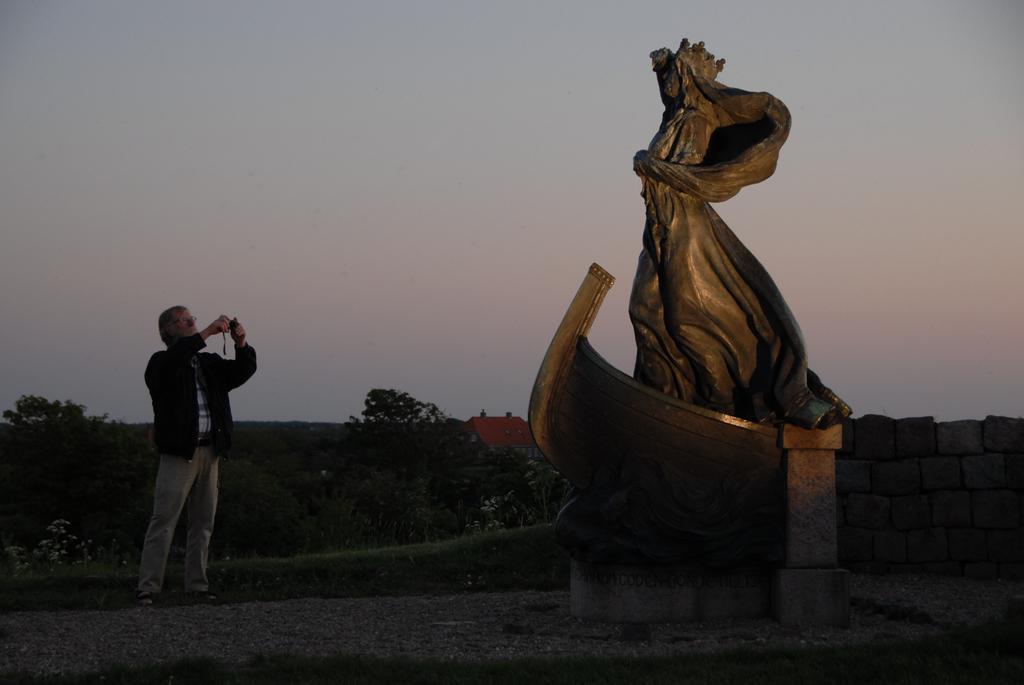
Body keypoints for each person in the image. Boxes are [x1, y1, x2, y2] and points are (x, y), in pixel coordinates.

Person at [136, 306, 256, 606]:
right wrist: (206, 333)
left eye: (193, 318)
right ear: (169, 331)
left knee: (203, 522)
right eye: (184, 320)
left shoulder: (209, 363)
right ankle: (148, 587)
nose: (192, 322)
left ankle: (197, 587)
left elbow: (242, 372)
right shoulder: (161, 363)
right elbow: (177, 359)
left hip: (210, 451)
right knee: (164, 520)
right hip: (179, 454)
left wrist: (241, 343)